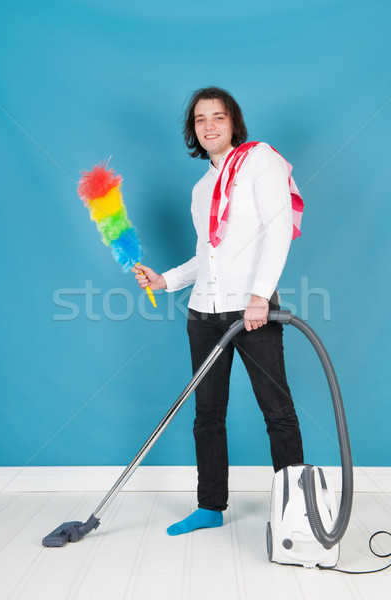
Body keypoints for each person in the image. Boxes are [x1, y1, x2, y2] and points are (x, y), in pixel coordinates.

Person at [132, 86, 304, 536]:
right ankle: (210, 506)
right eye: (200, 119)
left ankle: (297, 512)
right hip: (203, 314)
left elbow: (278, 228)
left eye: (218, 117)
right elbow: (205, 255)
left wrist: (260, 296)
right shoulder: (201, 188)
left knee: (277, 411)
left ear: (233, 123)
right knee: (207, 413)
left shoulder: (259, 160)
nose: (209, 126)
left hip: (253, 310)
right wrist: (164, 280)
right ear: (194, 130)